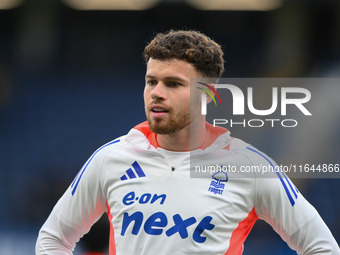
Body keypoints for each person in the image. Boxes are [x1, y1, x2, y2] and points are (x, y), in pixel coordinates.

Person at [36, 30, 339, 255]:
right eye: (151, 81)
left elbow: (322, 247)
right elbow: (53, 239)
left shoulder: (250, 167)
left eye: (173, 84)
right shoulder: (111, 158)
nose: (156, 92)